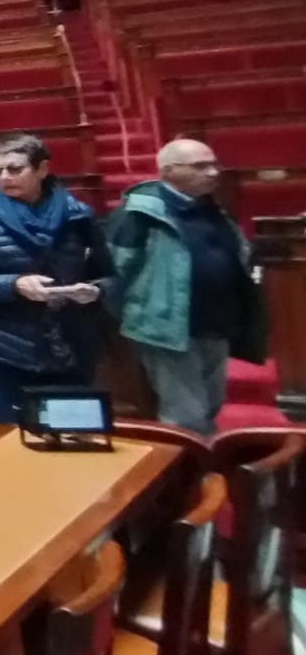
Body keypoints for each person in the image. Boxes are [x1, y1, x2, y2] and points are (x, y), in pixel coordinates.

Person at [0, 132, 118, 426]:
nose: (4, 178)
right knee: (15, 437)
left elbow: (109, 275)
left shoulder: (78, 215)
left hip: (68, 343)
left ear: (42, 169)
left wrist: (95, 291)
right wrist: (14, 285)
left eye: (15, 169)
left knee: (72, 433)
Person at [108, 139, 266, 436]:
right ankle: (194, 476)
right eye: (200, 166)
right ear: (168, 171)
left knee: (211, 405)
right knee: (186, 416)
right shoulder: (138, 214)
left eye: (214, 164)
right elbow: (114, 271)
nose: (213, 172)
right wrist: (143, 314)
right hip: (167, 328)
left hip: (217, 322)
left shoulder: (214, 208)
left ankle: (207, 468)